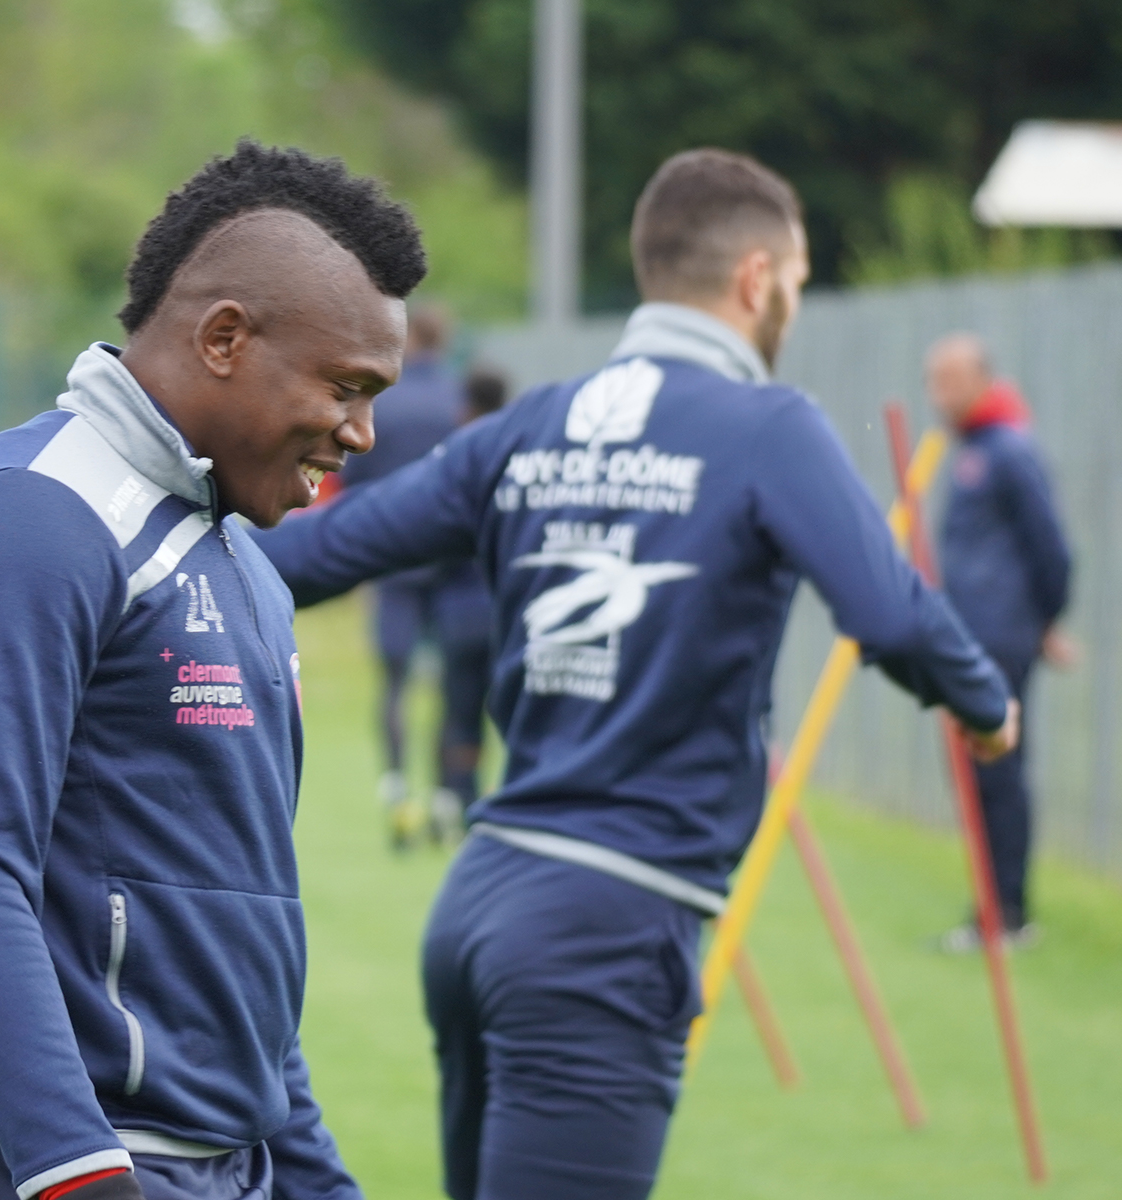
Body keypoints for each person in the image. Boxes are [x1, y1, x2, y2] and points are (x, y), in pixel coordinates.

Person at [251, 148, 1019, 1200]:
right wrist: (985, 707)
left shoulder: (531, 423)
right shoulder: (767, 428)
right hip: (605, 929)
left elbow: (305, 557)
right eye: (793, 285)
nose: (789, 305)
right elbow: (891, 613)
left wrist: (140, 572)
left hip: (478, 906)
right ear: (756, 279)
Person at [0, 140, 424, 1200]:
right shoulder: (32, 516)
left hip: (220, 1165)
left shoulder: (243, 564)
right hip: (44, 1168)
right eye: (346, 386)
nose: (361, 432)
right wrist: (80, 1178)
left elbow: (228, 931)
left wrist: (311, 1178)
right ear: (224, 337)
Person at [926, 333, 1073, 951]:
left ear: (981, 379)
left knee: (999, 772)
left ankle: (1008, 915)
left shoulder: (1008, 450)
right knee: (977, 773)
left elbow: (1052, 547)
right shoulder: (970, 450)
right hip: (969, 634)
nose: (938, 394)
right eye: (934, 380)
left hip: (999, 638)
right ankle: (992, 909)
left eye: (949, 380)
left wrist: (1045, 619)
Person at [338, 305, 466, 845]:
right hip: (455, 561)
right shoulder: (460, 400)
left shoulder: (383, 405)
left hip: (392, 557)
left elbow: (353, 477)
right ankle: (444, 796)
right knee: (454, 685)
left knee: (394, 682)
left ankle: (395, 791)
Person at [424, 368, 507, 841]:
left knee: (459, 719)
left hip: (457, 615)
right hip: (504, 615)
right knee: (510, 717)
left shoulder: (456, 458)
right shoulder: (521, 455)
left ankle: (462, 806)